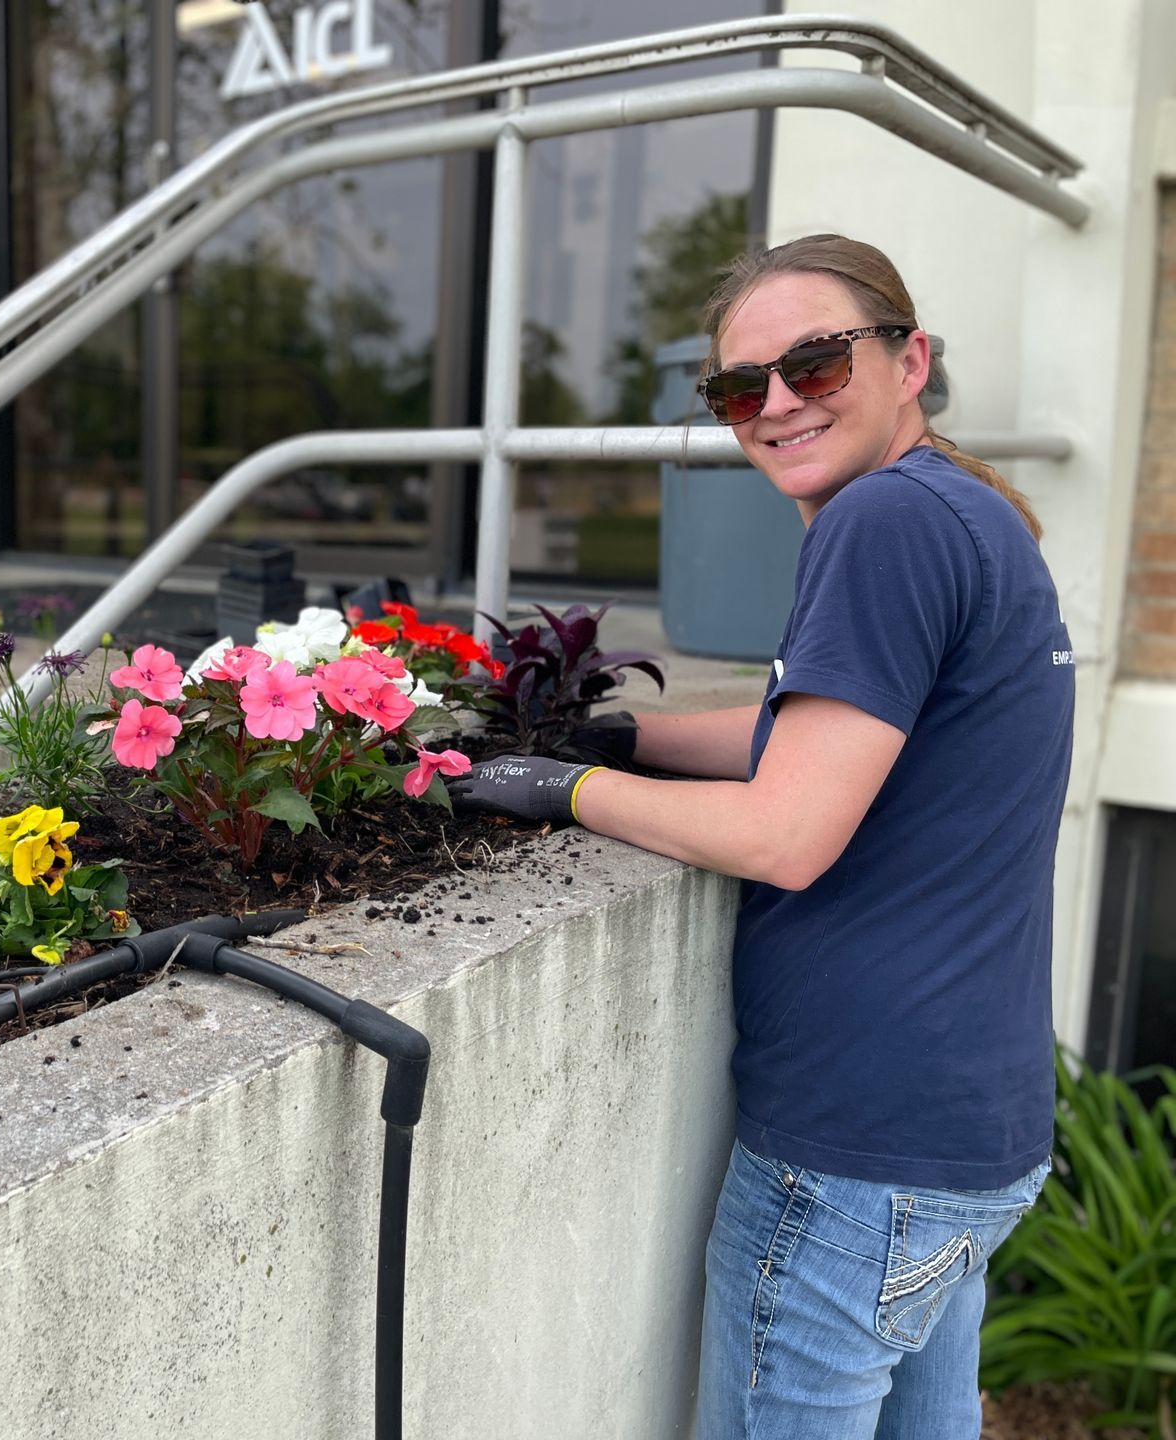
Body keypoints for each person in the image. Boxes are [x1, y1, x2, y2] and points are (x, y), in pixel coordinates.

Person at [449, 234, 1073, 1439]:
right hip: (967, 1135)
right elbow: (818, 740)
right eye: (741, 389)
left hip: (857, 1156)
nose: (777, 404)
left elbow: (788, 831)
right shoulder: (968, 513)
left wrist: (554, 790)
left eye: (816, 364)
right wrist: (628, 739)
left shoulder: (882, 522)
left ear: (910, 360)